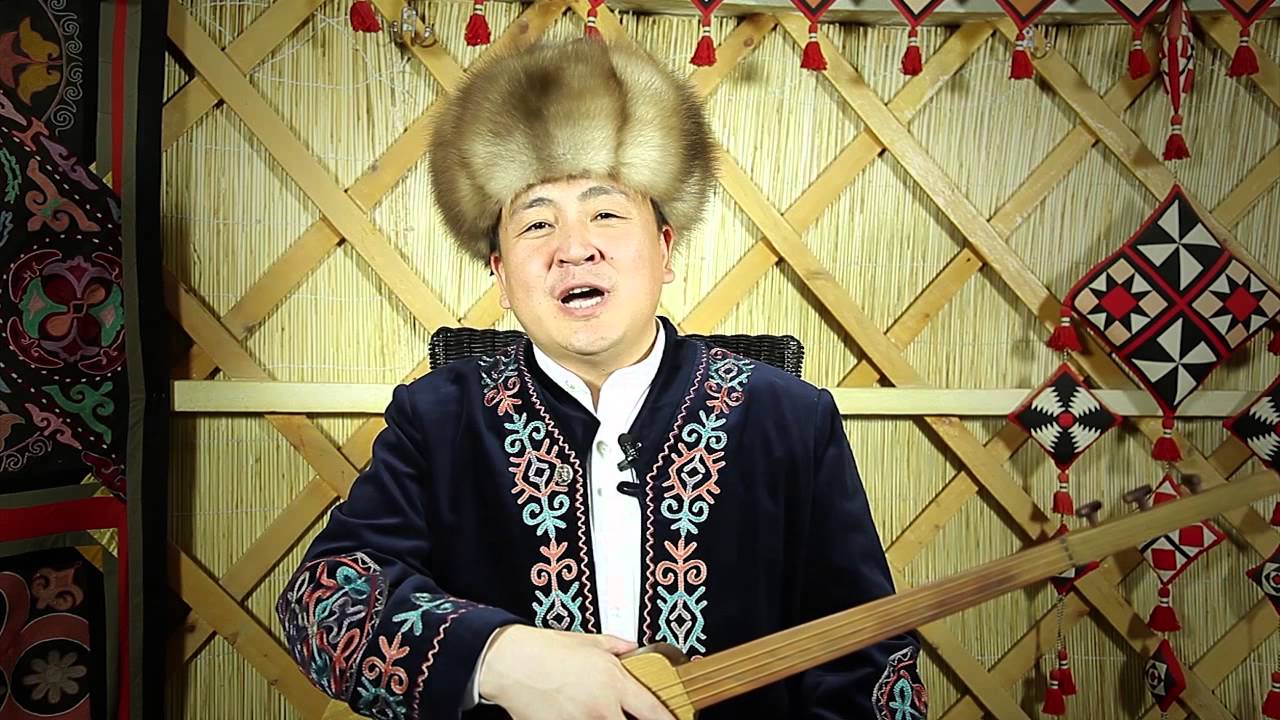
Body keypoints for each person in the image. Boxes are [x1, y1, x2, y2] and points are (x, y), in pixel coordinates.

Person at [276, 38, 925, 720]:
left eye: (606, 213)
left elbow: (870, 657)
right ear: (500, 277)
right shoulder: (437, 419)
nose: (574, 247)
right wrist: (499, 656)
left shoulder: (789, 417)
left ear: (665, 248)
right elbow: (322, 602)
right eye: (536, 223)